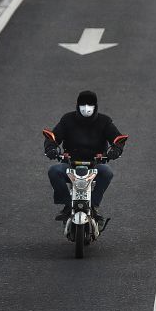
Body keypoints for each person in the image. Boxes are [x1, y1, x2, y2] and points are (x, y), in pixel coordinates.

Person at [44, 90, 127, 223]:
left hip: (95, 164)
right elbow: (53, 138)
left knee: (107, 172)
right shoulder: (67, 120)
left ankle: (93, 205)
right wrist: (51, 148)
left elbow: (118, 139)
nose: (86, 107)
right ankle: (67, 204)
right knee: (54, 171)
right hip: (71, 163)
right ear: (77, 105)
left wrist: (115, 151)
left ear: (95, 106)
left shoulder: (104, 121)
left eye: (90, 104)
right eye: (83, 104)